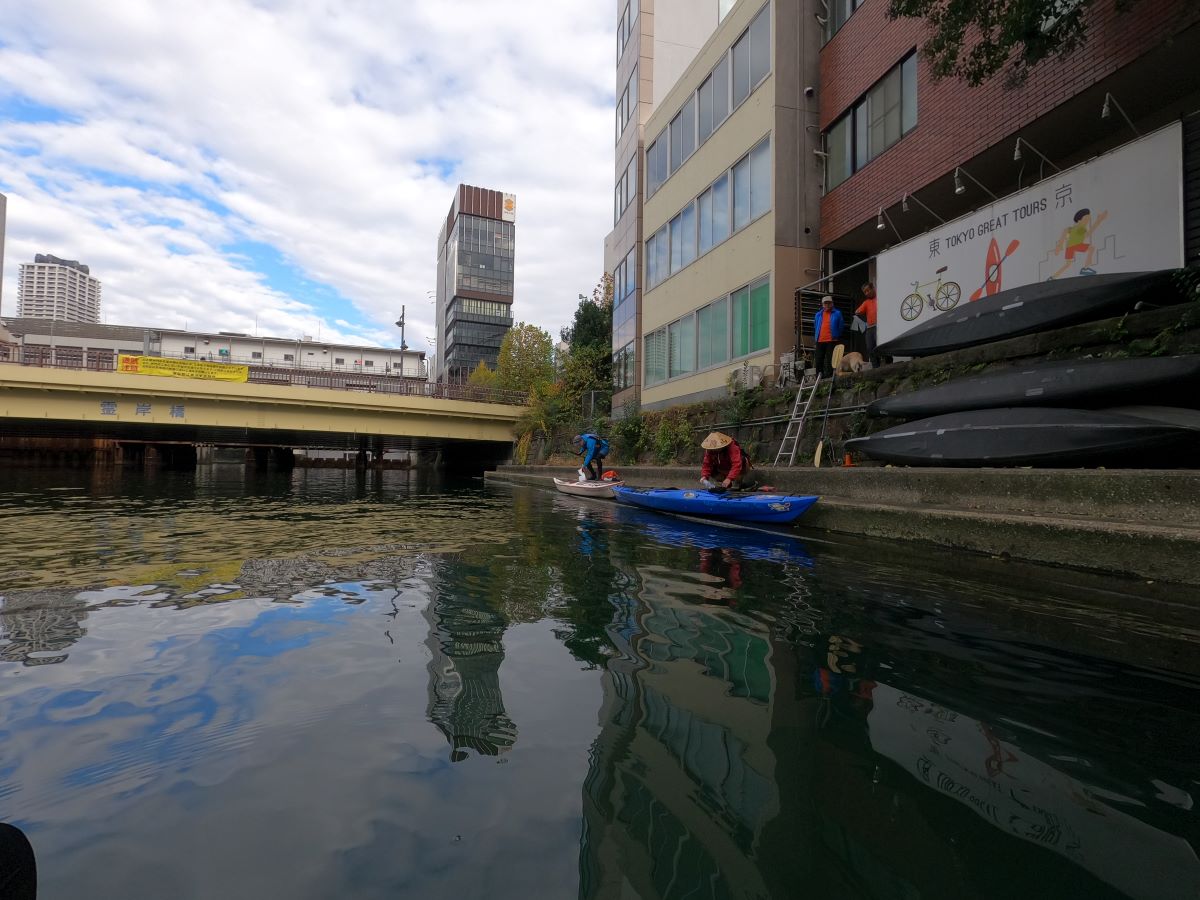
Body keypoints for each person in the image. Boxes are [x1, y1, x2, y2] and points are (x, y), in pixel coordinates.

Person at [812, 295, 843, 379]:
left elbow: (841, 326)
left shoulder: (837, 313)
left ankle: (829, 376)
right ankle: (819, 376)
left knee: (830, 359)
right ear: (822, 304)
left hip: (831, 340)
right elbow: (815, 325)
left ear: (832, 303)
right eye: (825, 303)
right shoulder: (818, 315)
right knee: (819, 359)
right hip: (820, 340)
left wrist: (836, 335)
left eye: (829, 303)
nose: (827, 305)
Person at [855, 283, 879, 368]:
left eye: (868, 290)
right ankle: (875, 367)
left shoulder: (880, 298)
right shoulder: (866, 302)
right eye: (865, 292)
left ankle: (888, 363)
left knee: (881, 345)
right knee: (870, 348)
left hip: (879, 326)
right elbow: (857, 311)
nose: (867, 293)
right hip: (870, 328)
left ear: (873, 288)